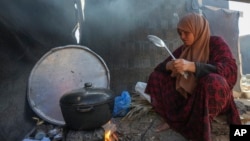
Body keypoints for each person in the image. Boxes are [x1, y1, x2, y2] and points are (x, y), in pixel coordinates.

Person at [145, 12, 241, 141]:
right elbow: (159, 69)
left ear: (198, 29)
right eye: (180, 33)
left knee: (212, 81)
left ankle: (198, 127)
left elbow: (230, 70)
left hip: (214, 98)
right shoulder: (184, 49)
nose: (182, 37)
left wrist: (192, 66)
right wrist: (169, 65)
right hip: (189, 99)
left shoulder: (215, 43)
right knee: (156, 77)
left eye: (186, 32)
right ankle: (173, 119)